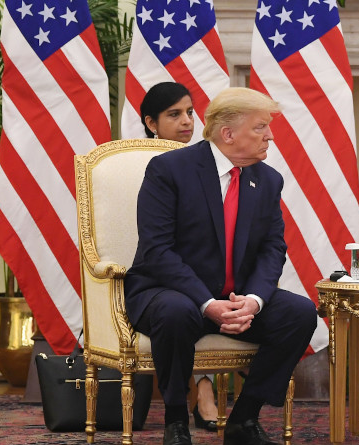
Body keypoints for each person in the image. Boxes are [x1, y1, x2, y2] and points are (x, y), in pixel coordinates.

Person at [125, 87, 318, 445]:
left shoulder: (268, 179)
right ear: (228, 134)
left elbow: (273, 248)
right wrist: (207, 303)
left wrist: (255, 300)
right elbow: (157, 250)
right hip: (170, 292)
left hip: (234, 296)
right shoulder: (169, 169)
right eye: (261, 127)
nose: (270, 136)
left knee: (300, 313)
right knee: (176, 311)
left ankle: (244, 419)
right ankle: (176, 422)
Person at [139, 81, 221, 432]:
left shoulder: (212, 162)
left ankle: (205, 390)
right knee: (181, 303)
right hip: (152, 272)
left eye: (190, 111)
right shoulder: (136, 164)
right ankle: (199, 394)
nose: (187, 121)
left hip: (200, 270)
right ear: (151, 123)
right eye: (174, 114)